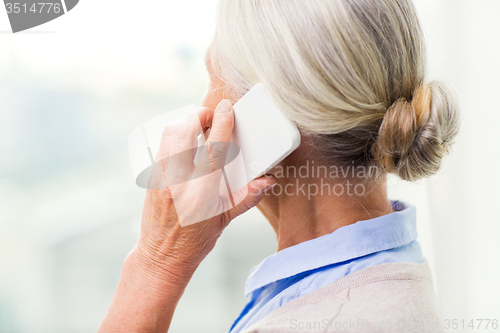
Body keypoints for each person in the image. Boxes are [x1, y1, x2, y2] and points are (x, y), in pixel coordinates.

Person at [98, 0, 460, 332]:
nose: (203, 104)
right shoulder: (389, 274)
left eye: (214, 78)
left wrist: (156, 262)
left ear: (266, 115)